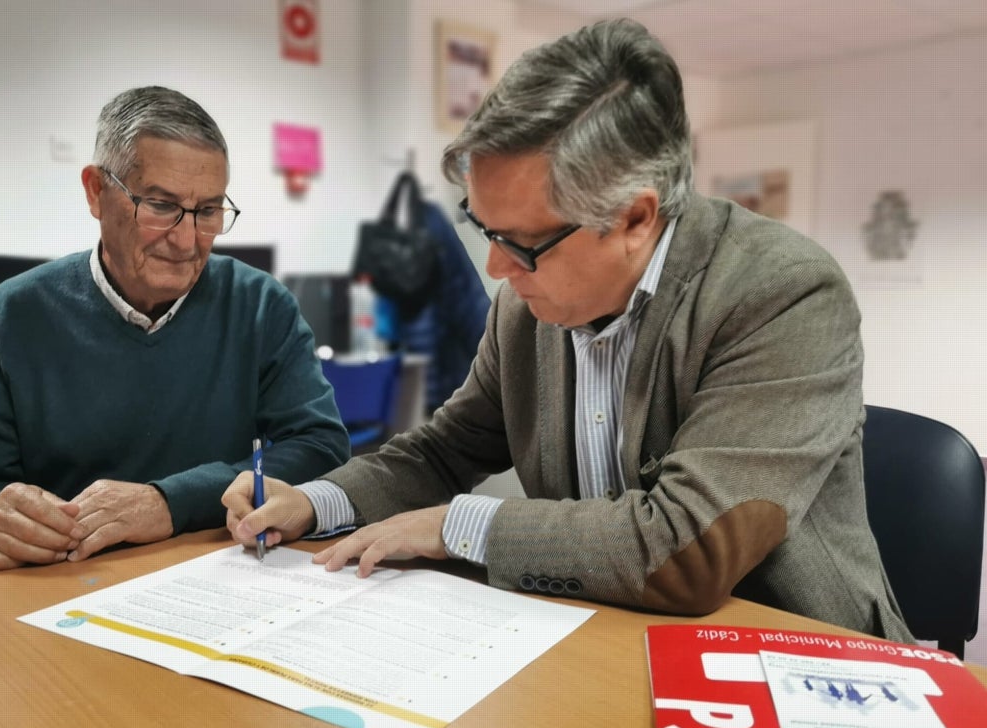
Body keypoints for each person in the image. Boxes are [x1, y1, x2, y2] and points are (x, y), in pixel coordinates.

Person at [223, 20, 913, 642]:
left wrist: (452, 524)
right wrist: (313, 502)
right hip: (608, 636)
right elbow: (443, 452)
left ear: (637, 219)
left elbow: (688, 549)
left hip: (798, 666)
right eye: (483, 228)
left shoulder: (782, 293)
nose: (496, 269)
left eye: (521, 244)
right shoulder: (528, 308)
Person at [0, 86, 349, 570]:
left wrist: (170, 502)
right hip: (63, 585)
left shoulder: (260, 306)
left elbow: (322, 449)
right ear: (95, 192)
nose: (188, 240)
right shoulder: (12, 316)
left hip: (214, 576)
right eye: (161, 205)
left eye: (209, 211)